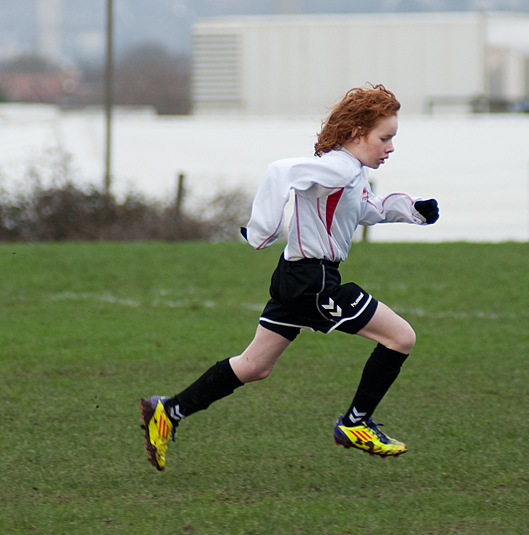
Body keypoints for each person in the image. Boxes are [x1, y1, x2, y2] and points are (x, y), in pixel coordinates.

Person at [140, 84, 439, 471]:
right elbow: (280, 171)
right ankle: (355, 423)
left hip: (296, 276)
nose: (391, 147)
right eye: (385, 138)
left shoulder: (348, 171)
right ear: (355, 133)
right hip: (313, 281)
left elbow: (364, 209)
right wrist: (260, 230)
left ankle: (168, 411)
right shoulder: (339, 166)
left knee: (254, 366)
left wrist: (411, 210)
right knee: (401, 337)